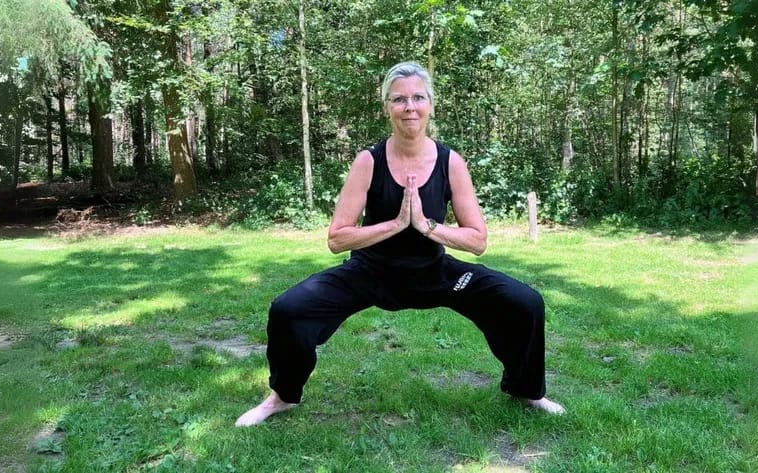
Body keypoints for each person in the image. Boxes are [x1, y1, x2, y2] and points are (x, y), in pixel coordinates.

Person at [235, 61, 565, 427]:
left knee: (524, 302)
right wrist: (395, 224)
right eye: (399, 100)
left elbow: (477, 240)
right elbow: (337, 238)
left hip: (435, 273)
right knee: (289, 309)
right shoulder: (368, 161)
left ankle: (527, 389)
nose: (410, 107)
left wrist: (426, 226)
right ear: (387, 107)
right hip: (368, 273)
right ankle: (282, 396)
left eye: (418, 98)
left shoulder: (450, 162)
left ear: (430, 105)